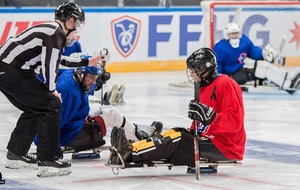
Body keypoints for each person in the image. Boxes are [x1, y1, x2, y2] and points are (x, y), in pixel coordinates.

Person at [0, 2, 103, 177]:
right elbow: (50, 65)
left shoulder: (52, 30)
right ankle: (48, 160)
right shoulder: (55, 32)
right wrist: (51, 89)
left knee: (36, 106)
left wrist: (87, 62)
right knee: (51, 103)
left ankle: (15, 155)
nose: (77, 29)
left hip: (9, 69)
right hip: (12, 70)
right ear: (70, 21)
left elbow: (58, 60)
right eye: (77, 24)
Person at [109, 47, 246, 168]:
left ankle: (130, 153)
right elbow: (202, 120)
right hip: (210, 139)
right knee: (173, 133)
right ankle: (132, 147)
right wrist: (193, 130)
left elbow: (235, 123)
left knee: (178, 139)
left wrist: (212, 117)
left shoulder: (226, 83)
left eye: (194, 70)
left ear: (205, 69)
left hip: (226, 146)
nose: (191, 74)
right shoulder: (203, 87)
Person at [34, 66, 163, 154]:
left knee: (104, 111)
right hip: (70, 136)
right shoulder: (69, 93)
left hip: (73, 124)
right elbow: (54, 122)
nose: (92, 81)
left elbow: (83, 87)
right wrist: (45, 147)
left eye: (94, 78)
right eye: (91, 77)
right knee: (113, 114)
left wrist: (97, 84)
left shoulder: (71, 75)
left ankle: (134, 133)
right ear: (80, 74)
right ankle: (142, 139)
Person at [214, 22, 300, 92]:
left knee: (263, 64)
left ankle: (287, 76)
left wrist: (263, 54)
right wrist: (220, 82)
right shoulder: (220, 47)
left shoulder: (243, 40)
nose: (235, 36)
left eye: (236, 33)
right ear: (227, 35)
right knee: (259, 69)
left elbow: (252, 50)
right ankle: (286, 84)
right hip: (230, 77)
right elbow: (217, 66)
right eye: (232, 34)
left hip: (240, 69)